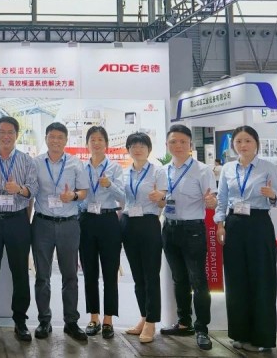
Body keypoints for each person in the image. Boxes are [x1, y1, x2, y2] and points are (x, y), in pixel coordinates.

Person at [215, 126, 277, 352]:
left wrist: (272, 195)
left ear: (256, 143)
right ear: (233, 144)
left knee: (262, 280)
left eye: (248, 141)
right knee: (236, 280)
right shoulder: (228, 168)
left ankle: (261, 338)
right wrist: (220, 223)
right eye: (238, 141)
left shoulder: (267, 167)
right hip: (234, 224)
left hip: (258, 223)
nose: (243, 145)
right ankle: (240, 334)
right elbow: (222, 198)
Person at [0, 116, 39, 342]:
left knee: (20, 271)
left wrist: (18, 189)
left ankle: (20, 320)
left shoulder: (26, 160)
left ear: (16, 135)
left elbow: (33, 189)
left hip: (17, 220)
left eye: (10, 132)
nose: (6, 136)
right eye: (2, 132)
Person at [160, 124, 218, 351]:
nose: (178, 145)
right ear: (167, 145)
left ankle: (202, 328)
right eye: (173, 141)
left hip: (192, 230)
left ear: (190, 145)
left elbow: (212, 200)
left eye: (183, 142)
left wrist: (212, 202)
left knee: (198, 280)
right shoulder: (163, 171)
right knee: (179, 279)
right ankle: (184, 322)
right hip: (169, 229)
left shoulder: (202, 170)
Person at [31, 122, 89, 341]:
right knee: (42, 276)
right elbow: (30, 193)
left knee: (70, 275)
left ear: (66, 140)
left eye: (60, 137)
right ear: (46, 138)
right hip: (42, 224)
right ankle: (44, 320)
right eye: (52, 137)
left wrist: (72, 196)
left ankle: (71, 321)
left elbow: (83, 192)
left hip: (68, 225)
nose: (55, 141)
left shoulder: (75, 163)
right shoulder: (36, 163)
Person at [120, 132, 167, 344]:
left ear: (149, 149)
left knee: (151, 275)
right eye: (133, 146)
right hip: (128, 224)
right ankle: (143, 316)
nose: (138, 149)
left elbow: (163, 201)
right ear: (128, 150)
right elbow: (122, 201)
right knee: (138, 276)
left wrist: (160, 197)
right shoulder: (124, 173)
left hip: (149, 224)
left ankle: (152, 321)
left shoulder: (158, 171)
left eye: (142, 146)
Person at [78, 125, 124, 339]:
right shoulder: (80, 168)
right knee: (89, 273)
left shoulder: (115, 168)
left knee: (110, 273)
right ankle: (93, 318)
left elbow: (123, 197)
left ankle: (108, 320)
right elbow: (78, 195)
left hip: (108, 220)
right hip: (86, 220)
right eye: (92, 139)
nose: (96, 143)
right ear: (87, 144)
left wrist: (109, 185)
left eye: (100, 139)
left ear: (106, 143)